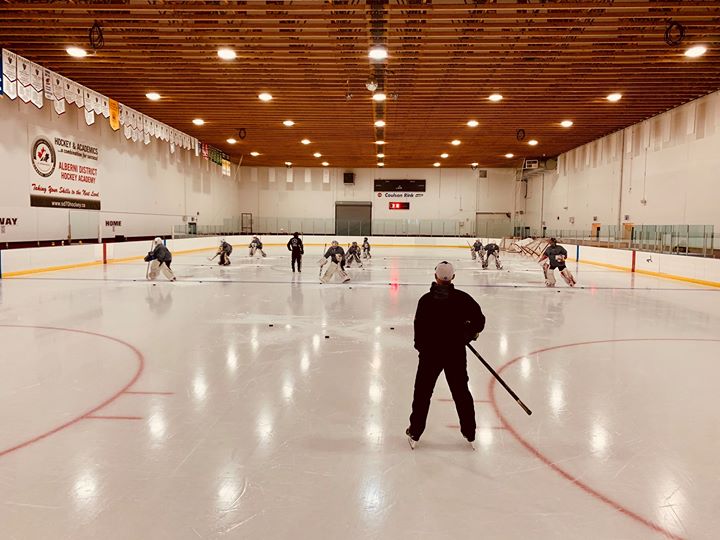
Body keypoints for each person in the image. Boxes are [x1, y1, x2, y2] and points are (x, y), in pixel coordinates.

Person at [407, 261, 485, 449]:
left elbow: (419, 327)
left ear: (435, 276)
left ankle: (415, 431)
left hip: (430, 355)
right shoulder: (463, 299)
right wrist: (468, 334)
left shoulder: (425, 300)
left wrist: (421, 347)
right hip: (455, 353)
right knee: (461, 392)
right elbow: (479, 322)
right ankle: (469, 431)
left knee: (422, 393)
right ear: (453, 278)